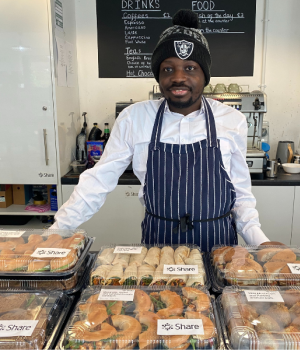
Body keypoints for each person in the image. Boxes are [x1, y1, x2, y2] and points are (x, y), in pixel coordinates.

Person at [51, 9, 271, 251]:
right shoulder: (135, 118)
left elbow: (239, 195)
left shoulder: (231, 120)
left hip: (219, 249)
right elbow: (97, 181)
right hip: (159, 249)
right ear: (158, 75)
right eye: (168, 69)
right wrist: (58, 231)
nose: (178, 77)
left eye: (190, 68)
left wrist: (262, 243)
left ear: (204, 75)